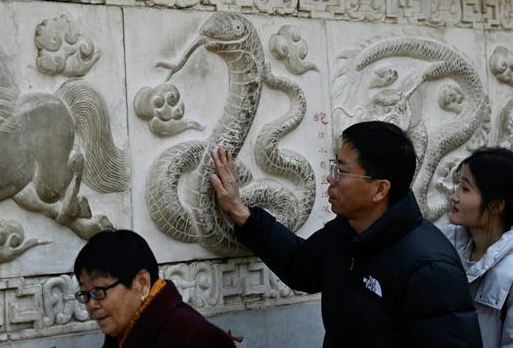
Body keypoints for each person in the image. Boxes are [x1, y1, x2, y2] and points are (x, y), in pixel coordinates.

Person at [210, 120, 482, 348]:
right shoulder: (345, 234)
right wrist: (240, 211)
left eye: (341, 171)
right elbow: (299, 265)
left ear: (379, 189)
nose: (331, 179)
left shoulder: (428, 267)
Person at [73, 229, 237, 348]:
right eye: (85, 294)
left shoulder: (198, 338)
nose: (91, 305)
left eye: (98, 291)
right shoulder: (120, 333)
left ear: (142, 283)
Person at [445, 147, 513, 348]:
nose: (454, 196)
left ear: (496, 206)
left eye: (465, 189)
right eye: (458, 185)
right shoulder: (444, 242)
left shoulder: (509, 273)